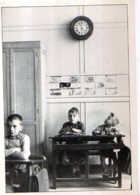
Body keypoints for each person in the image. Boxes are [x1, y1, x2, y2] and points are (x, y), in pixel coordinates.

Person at [5, 114, 31, 191]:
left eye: (14, 126)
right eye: (9, 126)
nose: (11, 129)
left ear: (20, 128)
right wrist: (14, 149)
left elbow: (25, 156)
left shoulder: (24, 138)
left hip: (23, 169)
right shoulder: (4, 139)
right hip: (8, 169)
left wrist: (7, 152)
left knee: (27, 187)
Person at [92, 113, 122, 178]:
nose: (110, 125)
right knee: (102, 157)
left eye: (111, 124)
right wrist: (98, 132)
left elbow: (118, 133)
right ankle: (105, 171)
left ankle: (115, 171)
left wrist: (114, 133)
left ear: (113, 124)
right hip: (102, 144)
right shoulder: (101, 127)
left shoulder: (113, 129)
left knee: (114, 157)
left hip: (111, 145)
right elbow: (94, 132)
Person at [59, 107, 85, 177]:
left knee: (83, 155)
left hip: (80, 145)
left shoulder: (80, 124)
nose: (72, 118)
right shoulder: (66, 124)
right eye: (70, 116)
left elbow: (83, 133)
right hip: (69, 145)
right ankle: (76, 169)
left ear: (78, 116)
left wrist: (72, 130)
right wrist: (75, 130)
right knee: (69, 156)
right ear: (68, 117)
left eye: (74, 116)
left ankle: (74, 168)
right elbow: (61, 132)